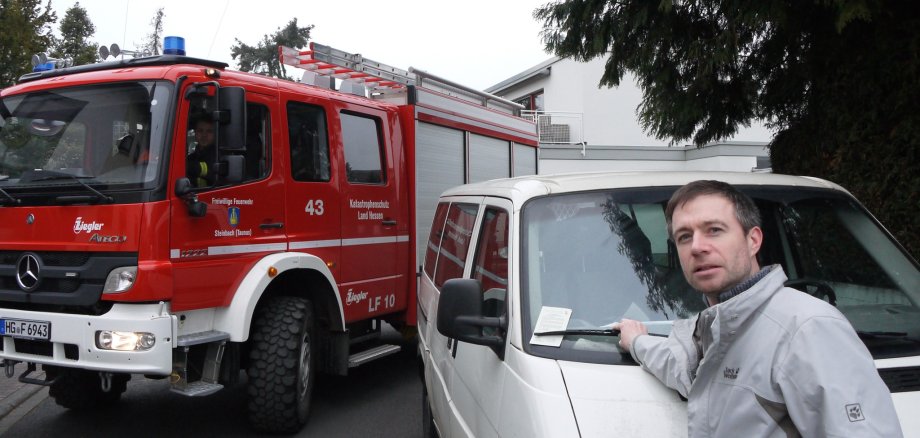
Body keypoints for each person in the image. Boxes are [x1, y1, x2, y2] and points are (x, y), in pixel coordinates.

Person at [613, 180, 902, 437]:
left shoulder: (808, 328)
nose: (697, 247)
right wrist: (637, 341)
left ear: (753, 241)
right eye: (684, 237)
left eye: (714, 230)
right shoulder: (717, 327)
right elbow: (686, 368)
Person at [187, 117, 215, 187]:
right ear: (195, 133)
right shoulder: (191, 158)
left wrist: (187, 166)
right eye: (200, 131)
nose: (204, 135)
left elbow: (211, 170)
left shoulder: (219, 156)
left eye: (209, 131)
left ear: (215, 134)